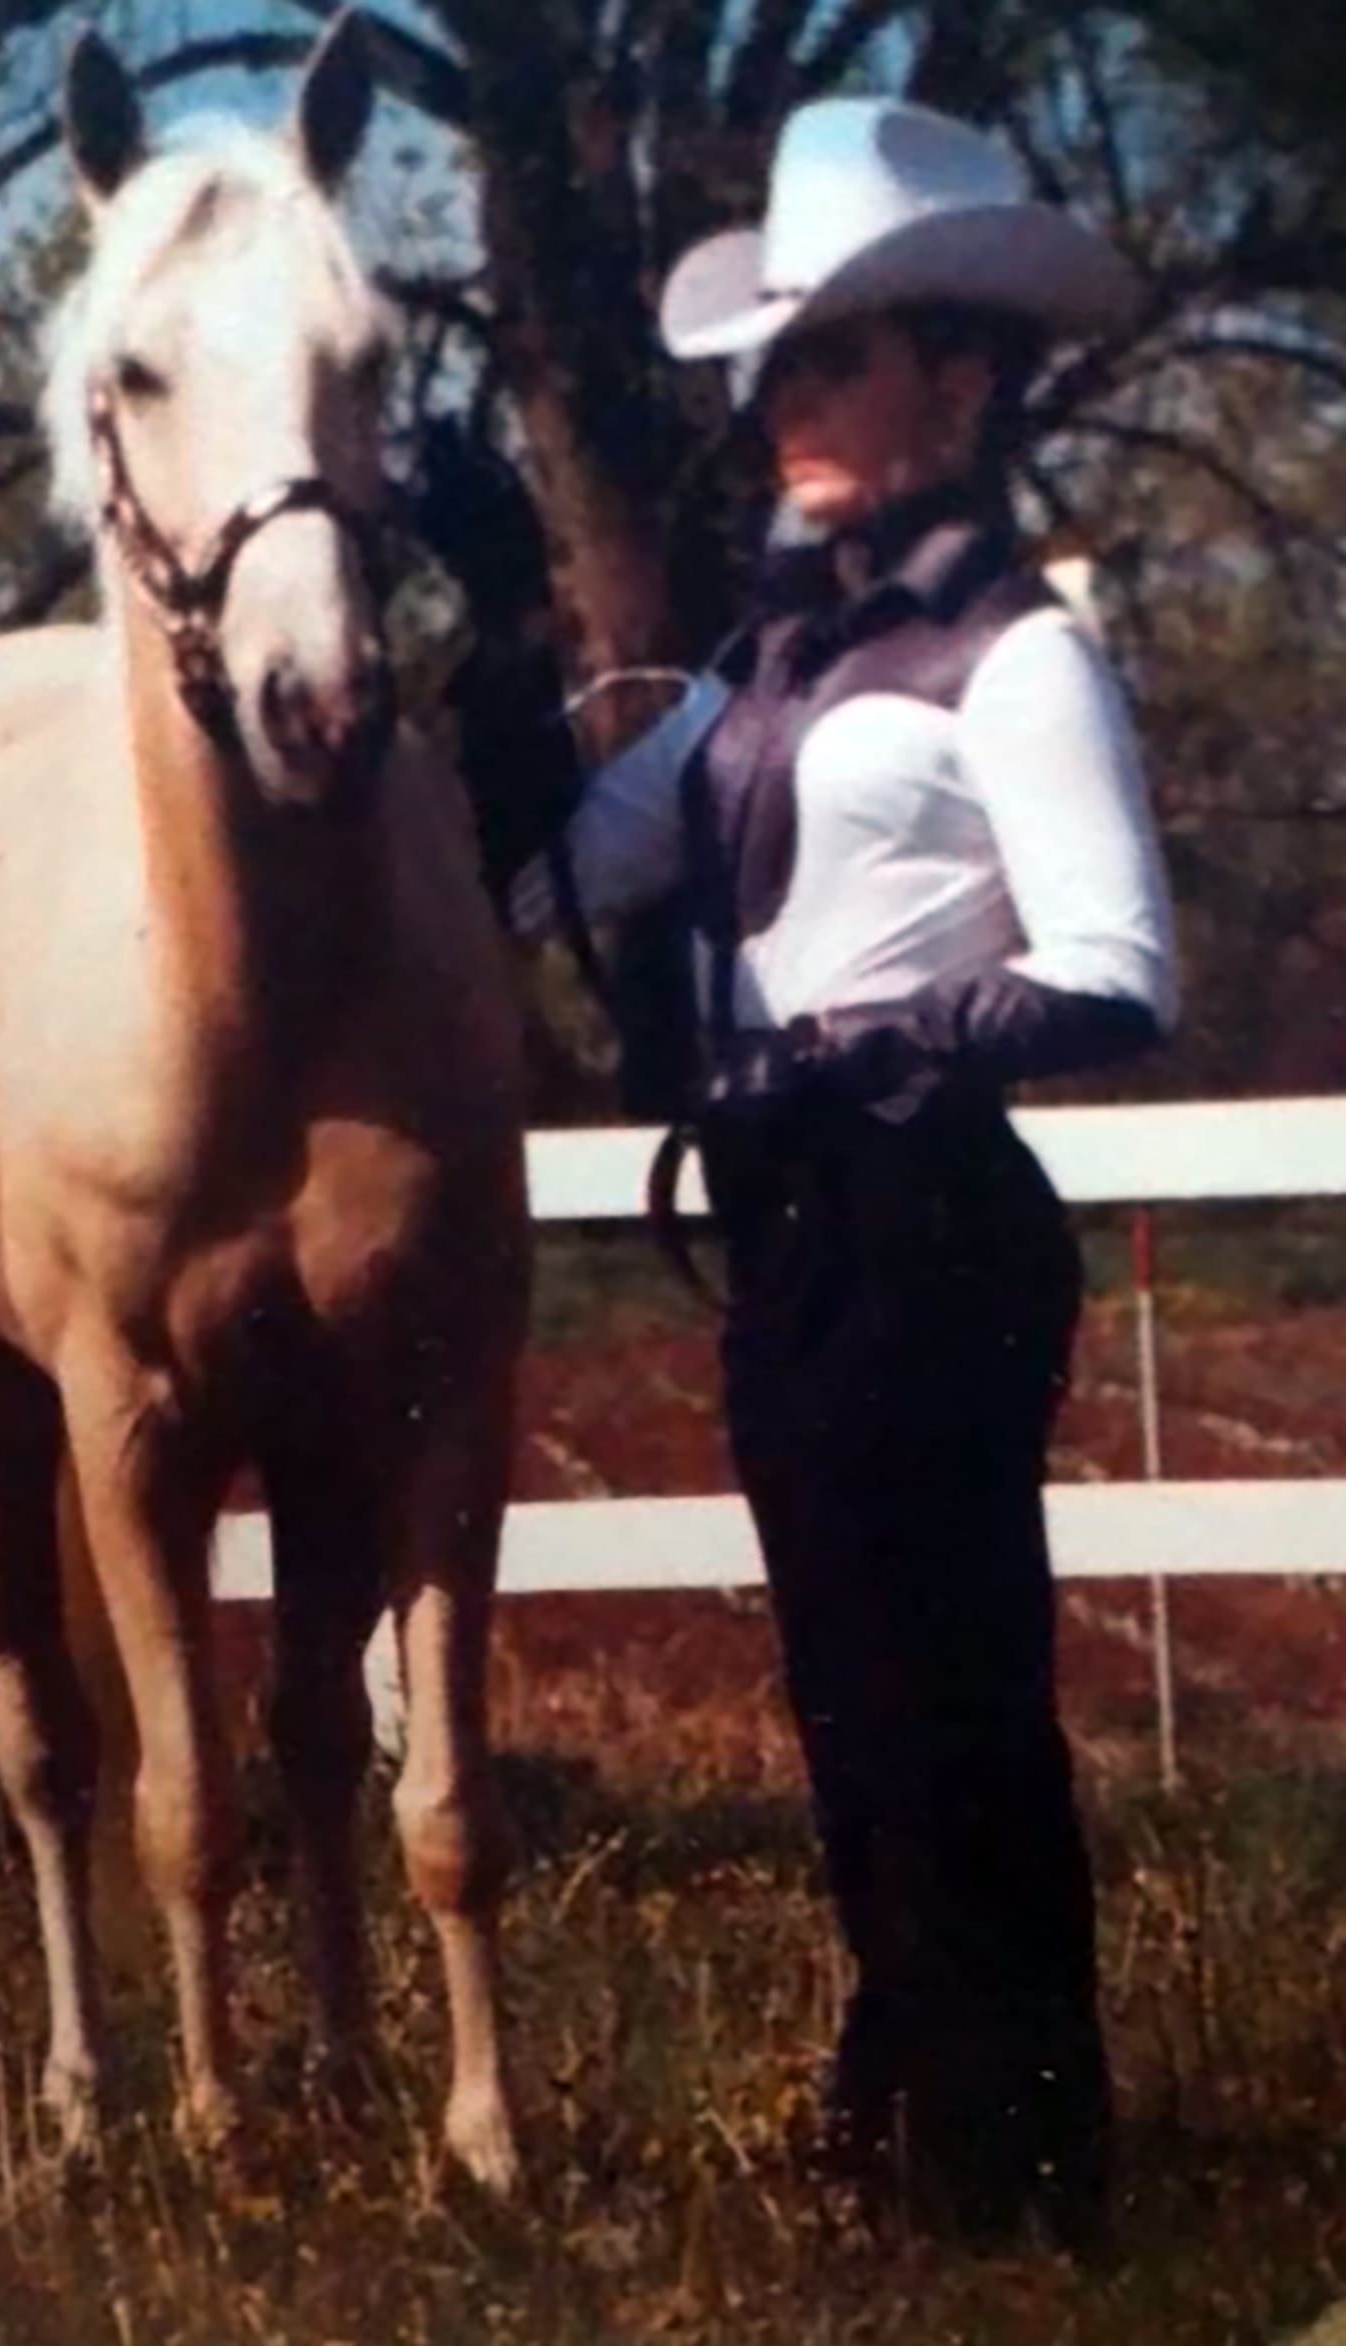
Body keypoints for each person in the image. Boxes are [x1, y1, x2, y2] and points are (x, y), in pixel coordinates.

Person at [507, 96, 1176, 2247]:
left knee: (948, 1686)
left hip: (922, 1208)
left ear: (955, 381)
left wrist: (866, 1046)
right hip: (787, 1227)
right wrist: (480, 669)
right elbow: (552, 873)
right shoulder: (747, 674)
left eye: (835, 361)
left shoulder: (1019, 654)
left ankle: (1018, 2156)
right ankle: (905, 2092)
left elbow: (1112, 971)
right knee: (843, 1689)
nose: (786, 403)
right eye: (776, 365)